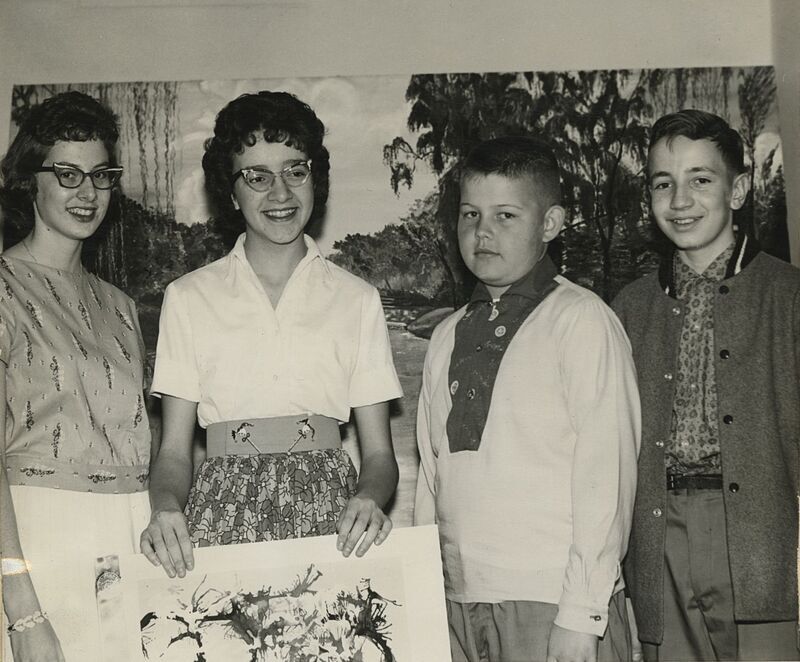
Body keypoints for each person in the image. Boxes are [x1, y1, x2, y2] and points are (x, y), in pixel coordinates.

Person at [140, 91, 402, 578]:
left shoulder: (357, 299)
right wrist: (165, 507)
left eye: (294, 171)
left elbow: (381, 454)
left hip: (332, 516)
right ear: (231, 192)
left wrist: (368, 496)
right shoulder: (188, 298)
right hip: (222, 511)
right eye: (256, 177)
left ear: (314, 178)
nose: (279, 193)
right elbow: (174, 452)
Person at [414, 135, 641, 662]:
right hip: (461, 601)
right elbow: (431, 474)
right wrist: (428, 589)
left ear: (551, 224)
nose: (482, 231)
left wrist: (584, 611)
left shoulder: (581, 320)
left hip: (554, 603)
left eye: (506, 215)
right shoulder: (446, 334)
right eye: (470, 213)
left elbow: (607, 474)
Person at [612, 109, 800, 661]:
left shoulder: (788, 297)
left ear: (738, 189)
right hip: (657, 536)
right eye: (663, 183)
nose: (680, 201)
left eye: (701, 180)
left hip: (764, 540)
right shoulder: (629, 307)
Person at [0, 91, 151, 661]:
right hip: (37, 542)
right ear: (29, 182)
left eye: (100, 175)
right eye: (66, 174)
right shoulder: (4, 287)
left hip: (125, 542)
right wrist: (22, 609)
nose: (87, 192)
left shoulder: (121, 305)